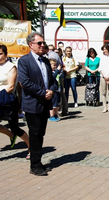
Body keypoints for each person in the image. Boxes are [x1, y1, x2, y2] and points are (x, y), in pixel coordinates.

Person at [18, 32, 57, 176]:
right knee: (34, 134)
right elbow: (25, 83)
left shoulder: (46, 61)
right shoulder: (24, 61)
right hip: (33, 103)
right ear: (31, 45)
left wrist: (51, 91)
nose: (42, 46)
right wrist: (43, 93)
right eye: (39, 43)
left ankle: (38, 160)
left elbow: (53, 81)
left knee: (41, 133)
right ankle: (34, 165)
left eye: (43, 43)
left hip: (44, 103)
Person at [0, 44, 30, 159]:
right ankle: (10, 135)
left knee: (15, 127)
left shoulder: (11, 67)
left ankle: (30, 147)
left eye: (1, 54)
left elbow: (11, 86)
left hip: (8, 100)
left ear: (6, 54)